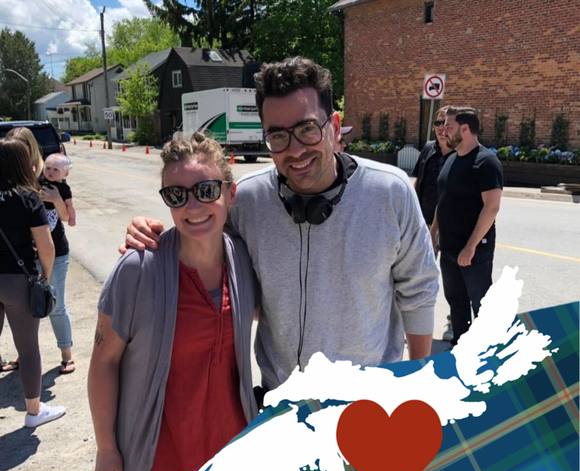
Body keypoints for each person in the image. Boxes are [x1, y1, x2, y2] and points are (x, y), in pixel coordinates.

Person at [124, 57, 439, 392]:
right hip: (281, 398)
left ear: (334, 126)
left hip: (368, 400)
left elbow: (419, 293)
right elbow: (201, 246)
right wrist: (151, 238)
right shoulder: (247, 200)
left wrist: (416, 383)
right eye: (278, 136)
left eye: (307, 129)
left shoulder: (390, 192)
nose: (295, 150)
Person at [87, 133, 258, 471]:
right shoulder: (138, 269)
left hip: (231, 466)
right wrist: (106, 447)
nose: (192, 206)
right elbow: (104, 361)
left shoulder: (242, 261)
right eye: (176, 195)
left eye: (206, 190)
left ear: (230, 193)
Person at [0, 138, 65, 427]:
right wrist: (45, 278)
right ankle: (34, 411)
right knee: (27, 349)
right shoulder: (27, 197)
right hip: (17, 280)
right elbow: (46, 246)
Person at [431, 106, 503, 344]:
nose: (444, 131)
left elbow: (491, 207)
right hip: (449, 249)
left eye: (449, 127)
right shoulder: (450, 160)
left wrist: (470, 247)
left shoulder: (486, 162)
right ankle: (460, 348)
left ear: (464, 129)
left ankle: (488, 352)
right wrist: (433, 232)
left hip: (474, 251)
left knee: (482, 304)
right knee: (456, 303)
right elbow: (443, 201)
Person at [412, 105, 454, 341]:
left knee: (452, 277)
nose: (440, 128)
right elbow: (418, 182)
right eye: (437, 123)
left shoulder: (460, 153)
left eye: (445, 123)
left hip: (450, 227)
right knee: (419, 275)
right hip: (424, 224)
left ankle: (454, 320)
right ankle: (414, 323)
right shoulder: (428, 149)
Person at [39, 153, 76, 374]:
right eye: (48, 168)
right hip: (30, 252)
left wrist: (56, 200)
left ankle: (66, 354)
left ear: (65, 174)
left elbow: (66, 217)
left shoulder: (63, 189)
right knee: (27, 308)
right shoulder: (35, 182)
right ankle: (25, 354)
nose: (51, 173)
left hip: (57, 252)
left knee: (57, 306)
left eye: (56, 170)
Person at [7, 127, 77, 226]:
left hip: (51, 232)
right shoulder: (6, 174)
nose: (16, 152)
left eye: (20, 147)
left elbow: (65, 217)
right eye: (11, 147)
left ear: (31, 147)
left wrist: (56, 199)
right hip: (19, 233)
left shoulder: (48, 172)